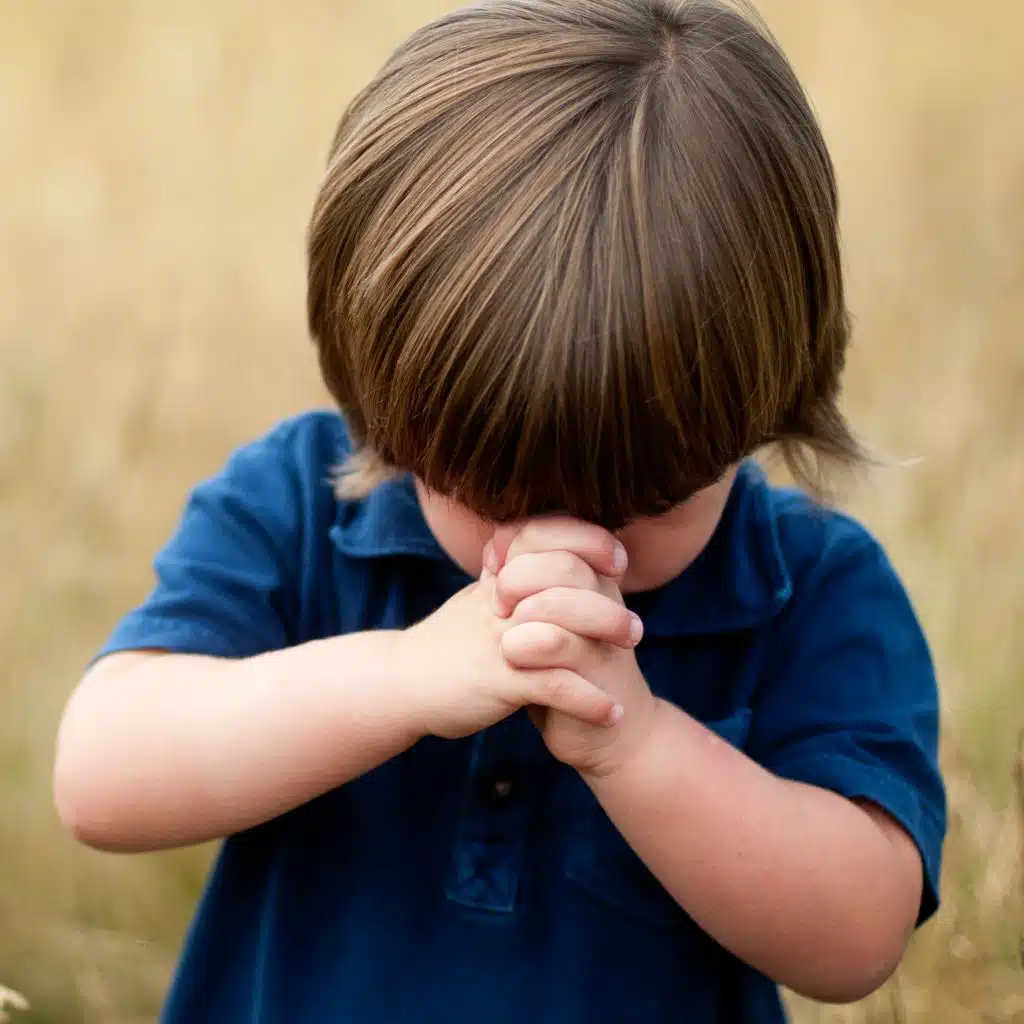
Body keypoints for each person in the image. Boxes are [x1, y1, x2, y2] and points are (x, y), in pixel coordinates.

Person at [53, 1, 946, 1021]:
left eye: (644, 505)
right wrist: (401, 677)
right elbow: (102, 775)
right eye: (486, 495)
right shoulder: (298, 505)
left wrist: (637, 745)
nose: (564, 546)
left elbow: (856, 938)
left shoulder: (807, 589)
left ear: (763, 402)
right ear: (389, 408)